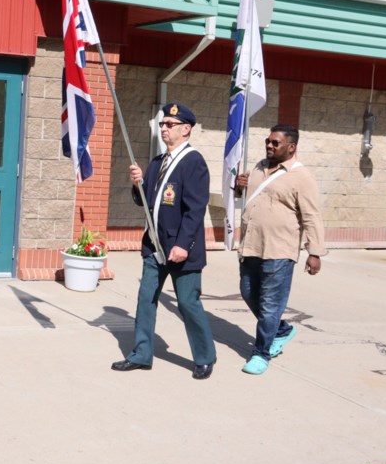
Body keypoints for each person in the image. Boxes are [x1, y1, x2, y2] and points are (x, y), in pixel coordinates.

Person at [111, 103, 217, 379]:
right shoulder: (158, 162)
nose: (164, 128)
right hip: (154, 246)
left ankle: (205, 356)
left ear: (186, 129)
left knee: (187, 303)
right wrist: (138, 183)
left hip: (181, 248)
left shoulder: (193, 161)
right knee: (146, 299)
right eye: (162, 124)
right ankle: (141, 354)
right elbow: (144, 202)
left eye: (170, 124)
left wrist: (183, 245)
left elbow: (195, 210)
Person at [233, 124, 326, 375]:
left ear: (291, 147)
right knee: (248, 293)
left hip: (280, 250)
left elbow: (311, 216)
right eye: (268, 141)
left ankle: (261, 353)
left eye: (276, 143)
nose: (270, 145)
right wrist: (240, 186)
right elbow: (249, 200)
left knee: (270, 305)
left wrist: (314, 251)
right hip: (252, 245)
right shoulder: (259, 168)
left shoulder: (301, 176)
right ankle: (282, 330)